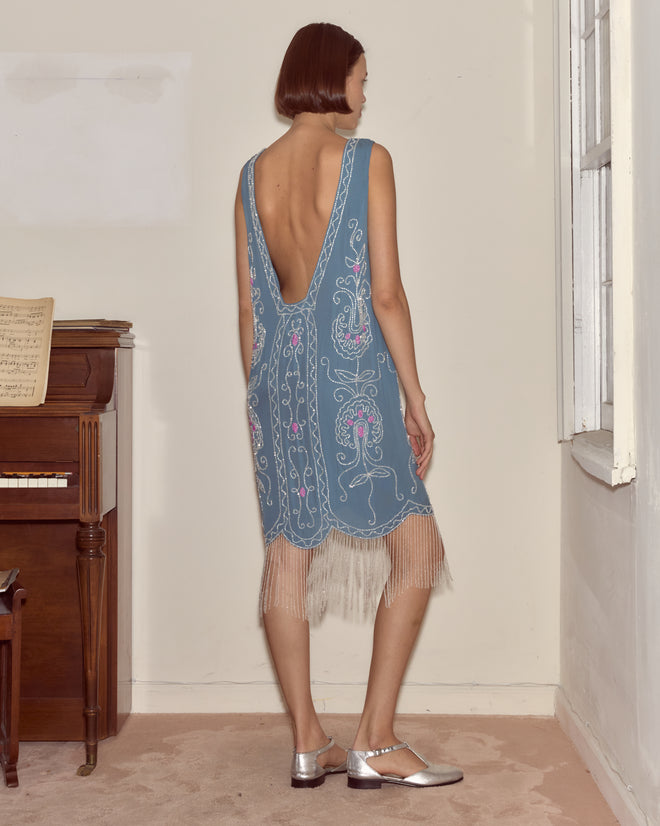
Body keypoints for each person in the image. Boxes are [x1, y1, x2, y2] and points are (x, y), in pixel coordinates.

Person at [235, 22, 462, 790]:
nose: (366, 95)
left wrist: (265, 398)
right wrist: (415, 396)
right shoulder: (365, 160)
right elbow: (386, 292)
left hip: (277, 386)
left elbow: (250, 313)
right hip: (353, 381)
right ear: (333, 78)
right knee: (418, 547)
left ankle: (308, 742)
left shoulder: (251, 175)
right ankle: (375, 739)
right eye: (363, 79)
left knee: (287, 558)